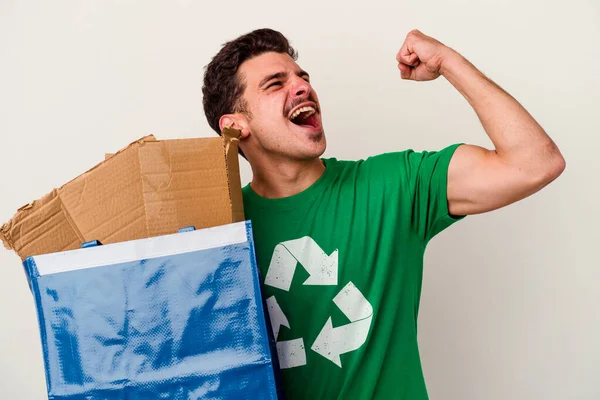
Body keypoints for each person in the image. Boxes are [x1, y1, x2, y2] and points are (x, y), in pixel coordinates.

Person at [201, 28, 565, 399]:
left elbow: (535, 162)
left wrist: (447, 61)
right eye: (275, 83)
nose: (301, 87)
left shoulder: (395, 185)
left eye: (303, 77)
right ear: (234, 126)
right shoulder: (220, 232)